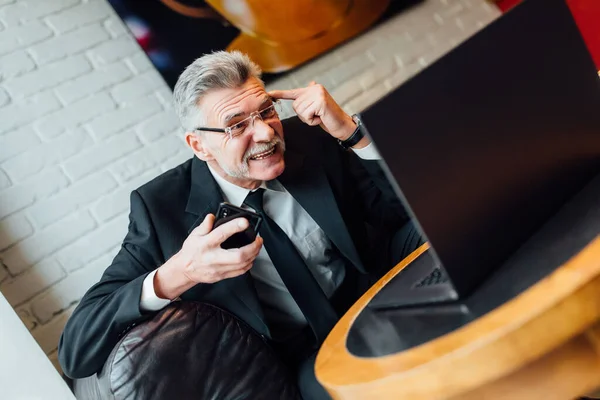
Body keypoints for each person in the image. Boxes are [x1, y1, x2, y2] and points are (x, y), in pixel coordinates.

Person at [58, 51, 422, 399]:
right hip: (302, 351)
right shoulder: (159, 208)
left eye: (266, 111)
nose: (265, 133)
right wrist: (181, 272)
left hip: (372, 292)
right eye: (236, 126)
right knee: (331, 386)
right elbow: (75, 349)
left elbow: (401, 210)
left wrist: (350, 131)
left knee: (433, 228)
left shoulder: (309, 135)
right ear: (199, 145)